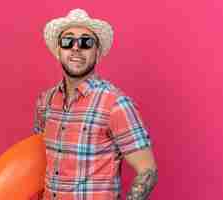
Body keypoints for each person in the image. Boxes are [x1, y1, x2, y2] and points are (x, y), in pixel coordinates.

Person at [32, 8, 158, 200]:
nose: (76, 47)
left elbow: (147, 169)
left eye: (85, 42)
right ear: (58, 50)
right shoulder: (45, 102)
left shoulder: (115, 104)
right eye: (68, 41)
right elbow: (43, 160)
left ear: (97, 52)